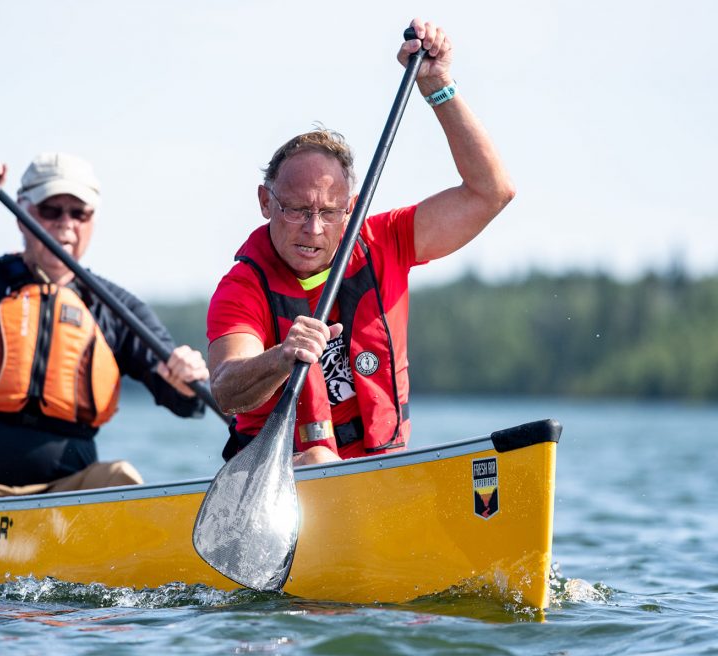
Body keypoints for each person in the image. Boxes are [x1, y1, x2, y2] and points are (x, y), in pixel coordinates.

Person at [206, 19, 514, 466]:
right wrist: (280, 358)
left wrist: (438, 85)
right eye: (296, 209)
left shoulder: (385, 241)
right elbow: (228, 388)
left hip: (378, 469)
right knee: (318, 461)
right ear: (265, 203)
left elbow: (491, 192)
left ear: (349, 210)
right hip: (280, 476)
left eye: (329, 212)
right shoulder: (242, 288)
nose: (313, 228)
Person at [0, 152, 209, 500]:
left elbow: (189, 403)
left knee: (121, 476)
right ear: (22, 216)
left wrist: (186, 381)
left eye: (79, 213)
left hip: (64, 496)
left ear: (92, 221)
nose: (65, 223)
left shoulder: (116, 307)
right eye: (51, 210)